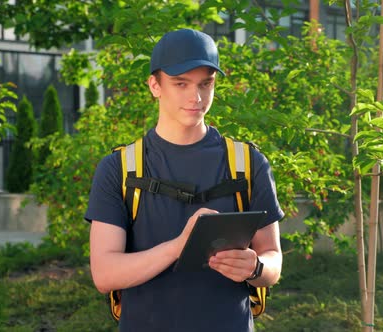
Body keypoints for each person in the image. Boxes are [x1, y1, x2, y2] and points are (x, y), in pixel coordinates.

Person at [85, 28, 284, 332]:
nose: (197, 97)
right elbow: (105, 274)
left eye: (206, 84)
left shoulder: (247, 163)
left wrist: (256, 267)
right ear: (155, 85)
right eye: (181, 84)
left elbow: (273, 260)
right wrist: (179, 247)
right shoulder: (120, 168)